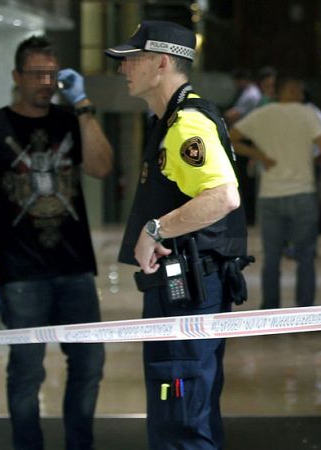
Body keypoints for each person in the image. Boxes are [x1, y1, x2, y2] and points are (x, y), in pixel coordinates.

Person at [0, 35, 112, 450]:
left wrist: (83, 106)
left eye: (52, 74)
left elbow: (101, 166)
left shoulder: (69, 121)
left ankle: (80, 445)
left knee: (89, 365)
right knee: (26, 372)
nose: (45, 82)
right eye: (37, 74)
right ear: (17, 76)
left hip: (76, 268)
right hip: (21, 274)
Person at [105, 20, 249, 450]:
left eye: (132, 60)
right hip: (184, 288)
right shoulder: (170, 120)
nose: (123, 69)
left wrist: (156, 229)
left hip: (188, 290)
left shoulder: (187, 123)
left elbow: (224, 196)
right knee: (183, 404)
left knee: (182, 412)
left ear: (162, 63)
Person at [230, 77, 321, 309]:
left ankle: (270, 308)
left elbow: (231, 138)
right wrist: (315, 158)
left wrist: (259, 156)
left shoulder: (263, 114)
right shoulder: (308, 114)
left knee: (271, 257)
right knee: (305, 257)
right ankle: (305, 309)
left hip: (270, 195)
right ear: (296, 91)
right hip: (303, 193)